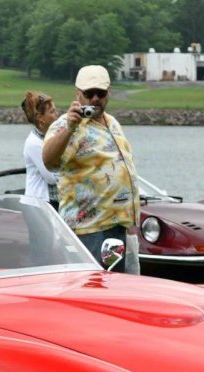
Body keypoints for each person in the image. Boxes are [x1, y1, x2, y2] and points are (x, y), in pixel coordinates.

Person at [42, 64, 140, 271]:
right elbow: (49, 161)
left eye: (100, 93)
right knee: (97, 290)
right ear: (78, 94)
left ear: (108, 93)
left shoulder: (111, 122)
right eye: (89, 93)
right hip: (89, 229)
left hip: (119, 225)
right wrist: (70, 128)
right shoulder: (65, 125)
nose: (95, 99)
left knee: (121, 290)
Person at [20, 90, 59, 207]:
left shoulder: (52, 136)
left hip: (52, 202)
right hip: (39, 204)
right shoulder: (34, 143)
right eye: (52, 112)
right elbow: (51, 178)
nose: (57, 114)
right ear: (40, 117)